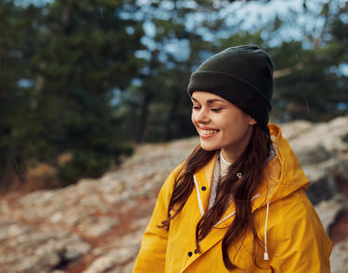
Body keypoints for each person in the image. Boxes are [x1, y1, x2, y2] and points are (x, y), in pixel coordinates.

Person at [132, 45, 332, 272]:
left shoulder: (293, 212)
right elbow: (155, 247)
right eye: (196, 106)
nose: (200, 118)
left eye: (215, 108)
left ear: (251, 115)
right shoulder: (184, 177)